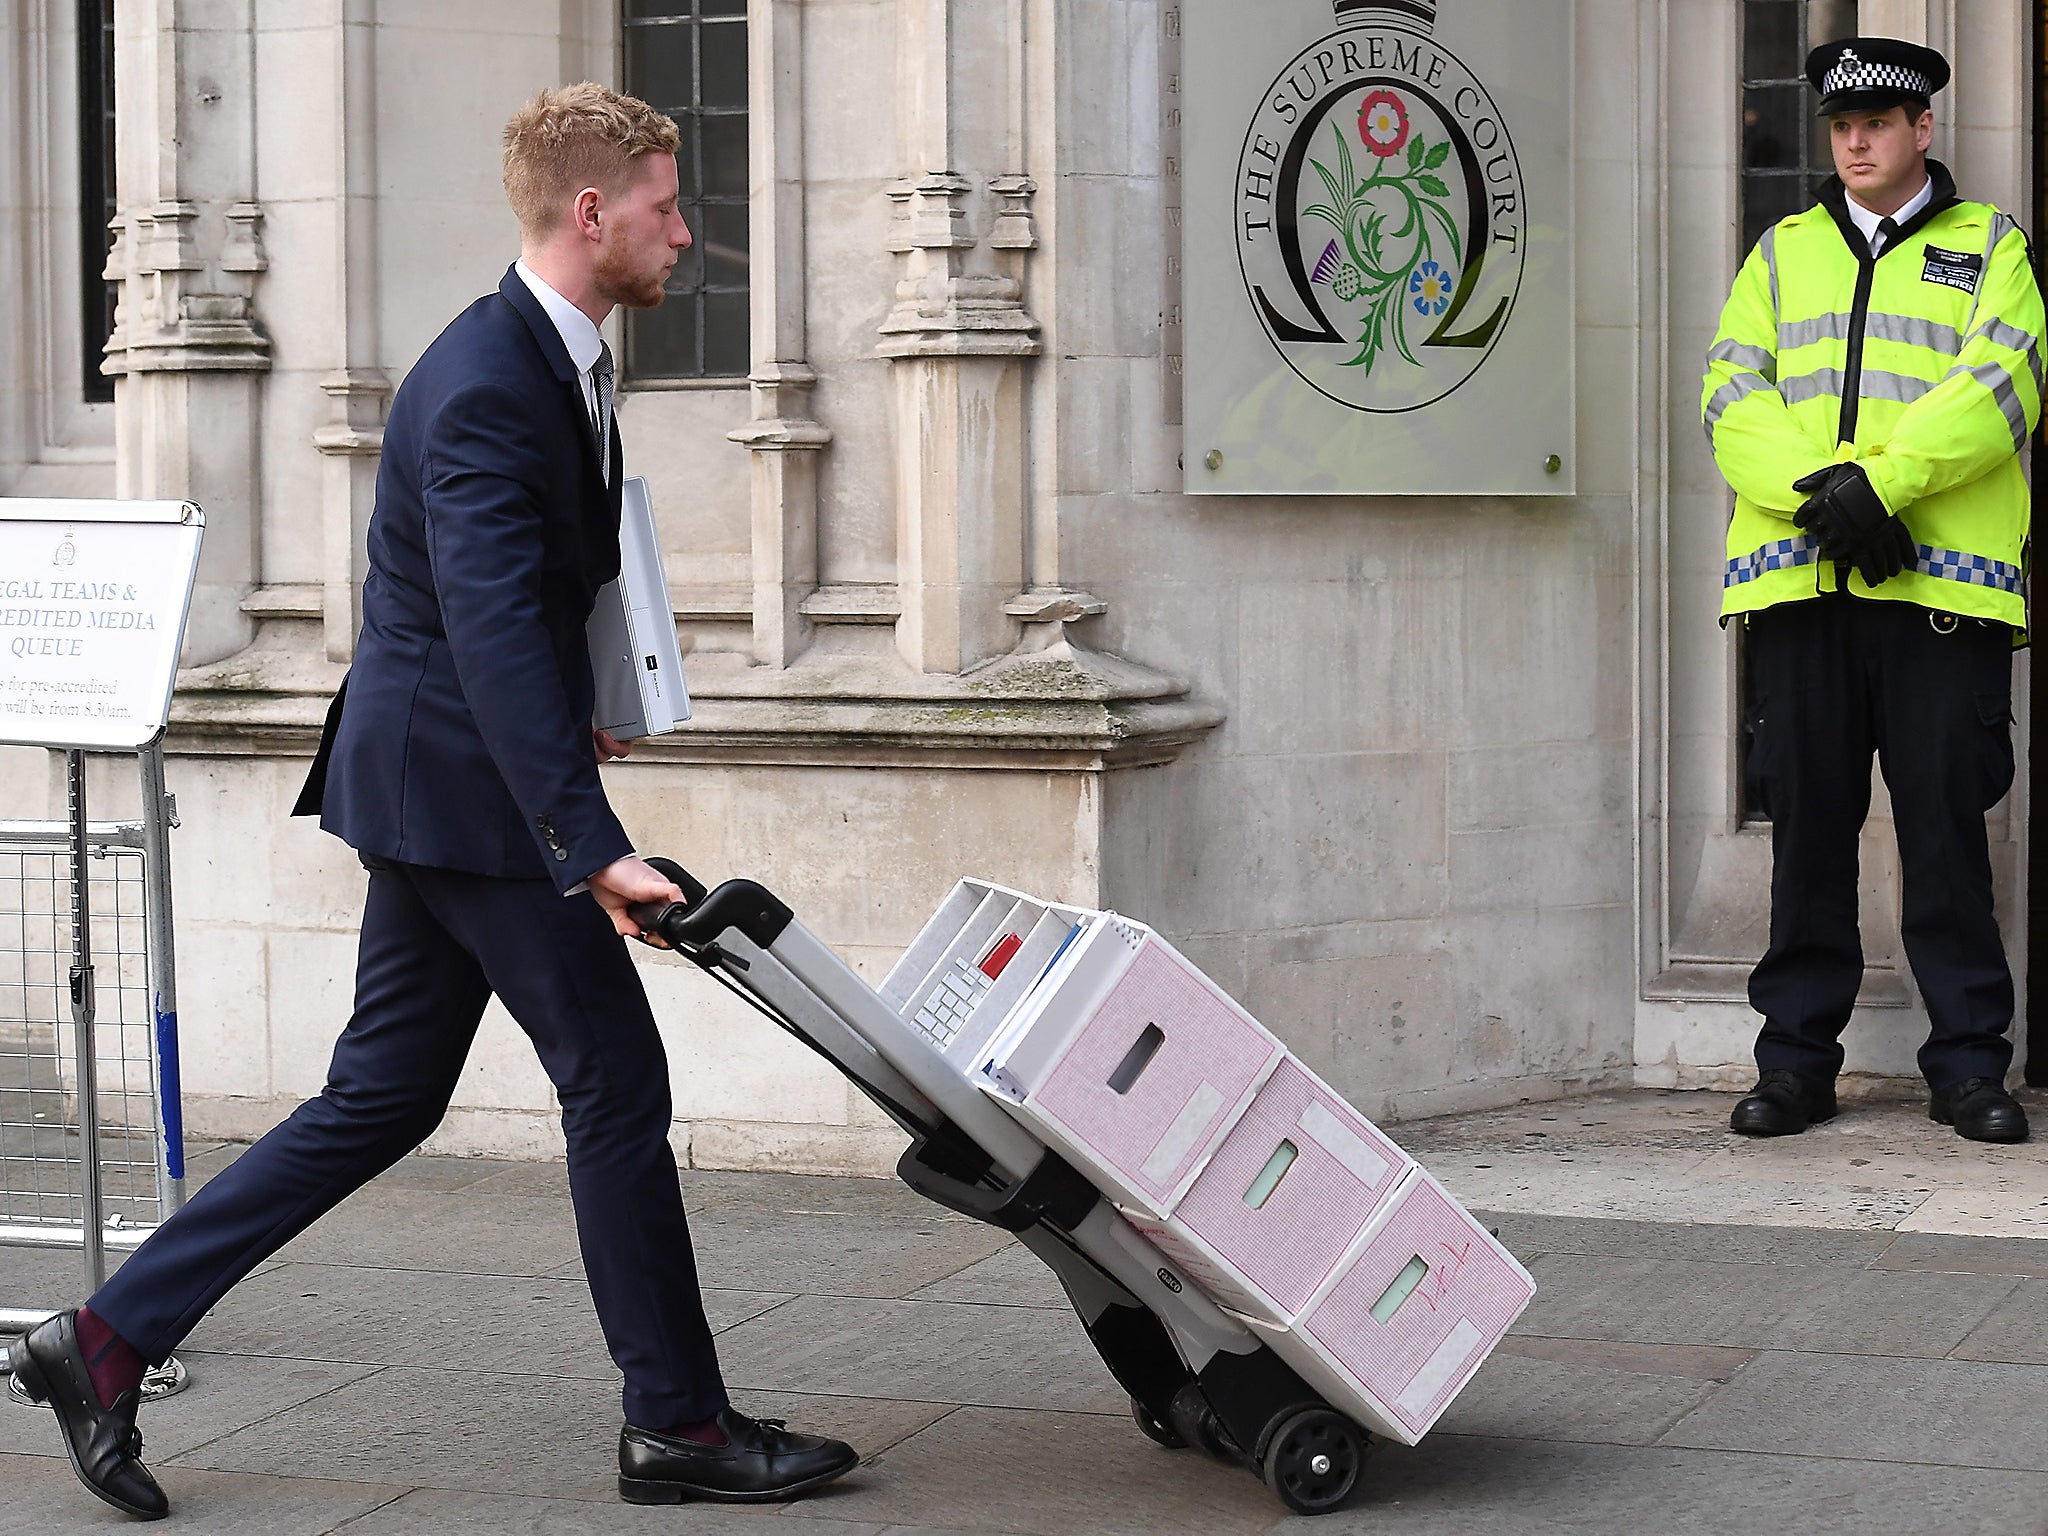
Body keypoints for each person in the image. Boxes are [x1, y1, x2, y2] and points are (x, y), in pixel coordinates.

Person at [6, 84, 859, 1518]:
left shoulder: (551, 358)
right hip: (465, 799)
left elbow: (522, 600)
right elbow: (481, 625)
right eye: (664, 205)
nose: (683, 231)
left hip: (441, 783)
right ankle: (680, 1424)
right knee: (616, 1085)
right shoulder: (483, 381)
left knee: (381, 1096)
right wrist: (587, 845)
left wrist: (588, 712)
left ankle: (98, 1342)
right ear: (592, 213)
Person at [1703, 39, 2044, 1143]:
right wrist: (1827, 497)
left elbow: (2000, 384)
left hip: (1935, 589)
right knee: (1806, 828)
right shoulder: (1779, 253)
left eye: (1879, 121)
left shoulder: (1986, 246)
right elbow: (1728, 395)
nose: (1854, 139)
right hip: (1804, 587)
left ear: (1921, 131)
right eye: (1839, 123)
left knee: (1943, 829)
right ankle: (1794, 1064)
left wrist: (1881, 489)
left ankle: (1966, 1068)